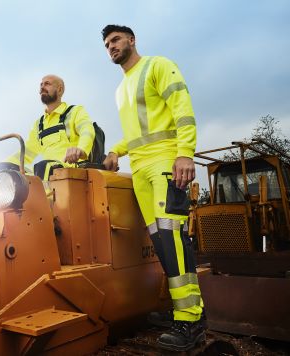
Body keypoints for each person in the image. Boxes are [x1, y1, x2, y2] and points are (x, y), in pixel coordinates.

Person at [101, 24, 205, 352]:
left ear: (131, 40)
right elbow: (136, 135)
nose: (111, 47)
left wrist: (185, 153)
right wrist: (117, 150)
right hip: (141, 170)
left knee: (173, 237)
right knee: (161, 241)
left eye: (115, 40)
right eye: (106, 44)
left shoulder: (158, 66)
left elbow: (182, 111)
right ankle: (180, 308)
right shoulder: (121, 89)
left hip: (165, 164)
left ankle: (192, 319)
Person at [0, 74, 95, 180]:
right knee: (6, 169)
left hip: (71, 171)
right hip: (45, 172)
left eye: (47, 84)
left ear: (59, 90)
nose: (42, 87)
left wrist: (80, 150)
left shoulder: (75, 111)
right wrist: (2, 164)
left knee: (43, 166)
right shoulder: (39, 123)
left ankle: (42, 195)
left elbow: (87, 131)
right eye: (41, 84)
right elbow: (27, 151)